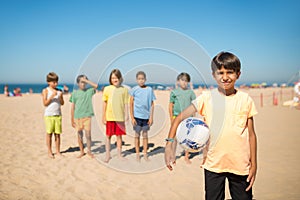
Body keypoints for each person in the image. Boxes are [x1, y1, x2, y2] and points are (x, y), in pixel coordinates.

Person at [165, 52, 258, 200]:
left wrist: (254, 164)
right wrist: (169, 145)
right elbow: (178, 118)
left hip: (241, 166)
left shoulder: (245, 100)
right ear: (214, 75)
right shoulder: (206, 98)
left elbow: (251, 135)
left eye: (230, 72)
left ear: (238, 74)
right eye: (220, 72)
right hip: (213, 165)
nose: (225, 77)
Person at [102, 69, 129, 163]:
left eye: (116, 77)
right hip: (109, 116)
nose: (114, 79)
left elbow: (126, 103)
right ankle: (107, 155)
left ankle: (119, 155)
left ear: (120, 78)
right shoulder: (107, 89)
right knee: (108, 136)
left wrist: (127, 115)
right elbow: (104, 103)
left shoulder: (124, 90)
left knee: (119, 137)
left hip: (120, 117)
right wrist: (103, 116)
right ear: (110, 79)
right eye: (113, 78)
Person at [169, 72, 196, 164]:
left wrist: (193, 118)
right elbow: (170, 105)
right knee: (175, 138)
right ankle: (173, 156)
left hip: (188, 118)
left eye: (186, 81)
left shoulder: (191, 92)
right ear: (178, 81)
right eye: (182, 80)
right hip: (176, 117)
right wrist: (171, 118)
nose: (184, 82)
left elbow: (194, 105)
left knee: (187, 137)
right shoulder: (174, 92)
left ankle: (186, 156)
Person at [129, 71, 156, 162]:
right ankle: (137, 154)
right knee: (137, 135)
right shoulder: (134, 89)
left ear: (145, 79)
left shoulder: (149, 89)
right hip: (137, 117)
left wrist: (151, 117)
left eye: (142, 79)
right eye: (139, 79)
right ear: (137, 80)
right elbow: (131, 103)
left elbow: (152, 104)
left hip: (146, 117)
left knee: (145, 135)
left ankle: (145, 153)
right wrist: (132, 117)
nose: (141, 81)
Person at [70, 75, 98, 158]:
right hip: (77, 117)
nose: (83, 84)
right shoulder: (74, 93)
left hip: (87, 116)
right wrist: (72, 119)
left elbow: (96, 86)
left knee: (88, 135)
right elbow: (73, 107)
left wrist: (86, 80)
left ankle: (89, 151)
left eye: (84, 83)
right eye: (81, 82)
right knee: (79, 135)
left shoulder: (89, 91)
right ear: (78, 83)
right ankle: (82, 151)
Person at [42, 72, 64, 159]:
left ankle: (58, 151)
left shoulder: (59, 91)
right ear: (48, 82)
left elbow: (62, 103)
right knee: (49, 134)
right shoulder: (46, 90)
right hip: (49, 115)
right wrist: (51, 97)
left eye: (56, 82)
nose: (55, 84)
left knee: (58, 134)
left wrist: (61, 97)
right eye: (53, 82)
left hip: (58, 115)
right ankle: (50, 151)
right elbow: (45, 103)